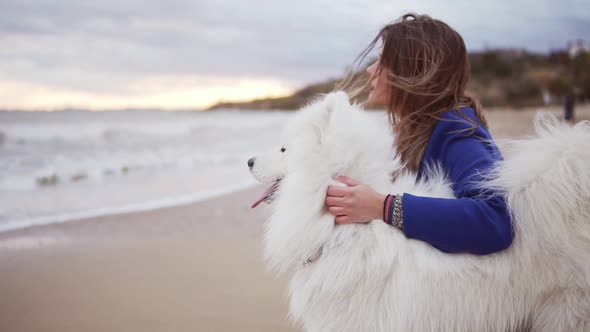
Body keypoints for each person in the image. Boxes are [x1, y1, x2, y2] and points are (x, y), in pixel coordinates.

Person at [325, 13, 514, 255]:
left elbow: (495, 221)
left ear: (413, 71)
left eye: (383, 62)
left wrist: (384, 207)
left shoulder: (455, 129)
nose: (371, 70)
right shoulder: (416, 129)